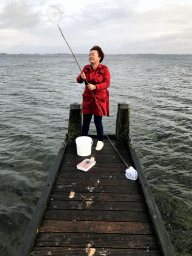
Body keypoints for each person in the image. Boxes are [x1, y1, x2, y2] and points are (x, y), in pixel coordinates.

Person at [77, 46, 110, 151]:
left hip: (99, 98)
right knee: (86, 121)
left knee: (97, 121)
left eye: (93, 54)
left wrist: (95, 87)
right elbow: (78, 80)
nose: (90, 56)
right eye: (89, 54)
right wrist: (81, 77)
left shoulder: (104, 69)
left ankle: (100, 141)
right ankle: (83, 140)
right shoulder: (86, 68)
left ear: (99, 57)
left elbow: (107, 83)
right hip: (87, 98)